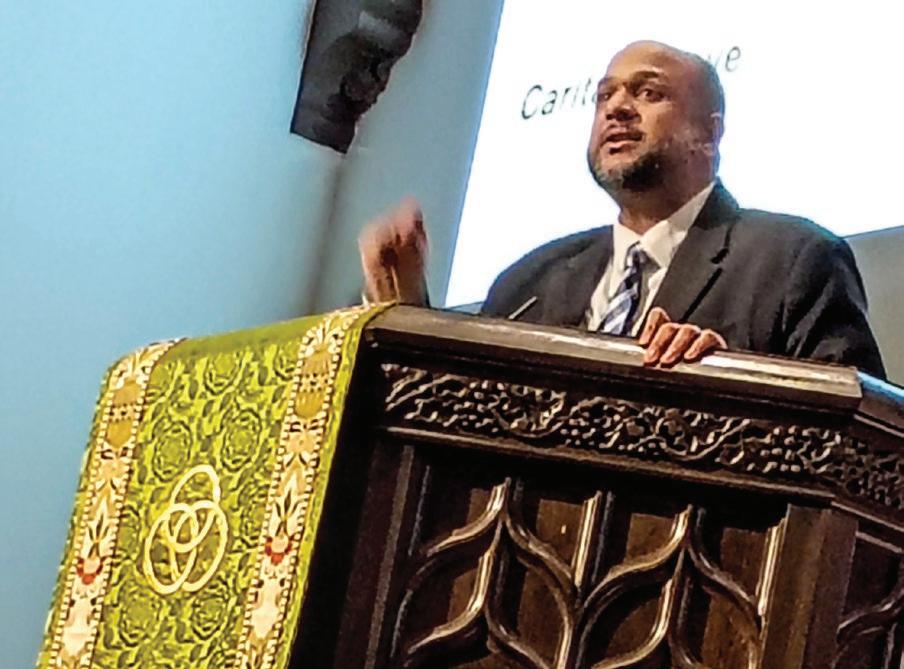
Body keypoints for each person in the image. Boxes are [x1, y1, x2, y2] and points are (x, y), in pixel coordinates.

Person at [358, 40, 886, 379]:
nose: (617, 108)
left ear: (709, 134)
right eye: (604, 96)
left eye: (648, 92)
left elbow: (860, 444)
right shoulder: (528, 283)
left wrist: (730, 376)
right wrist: (407, 315)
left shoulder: (792, 260)